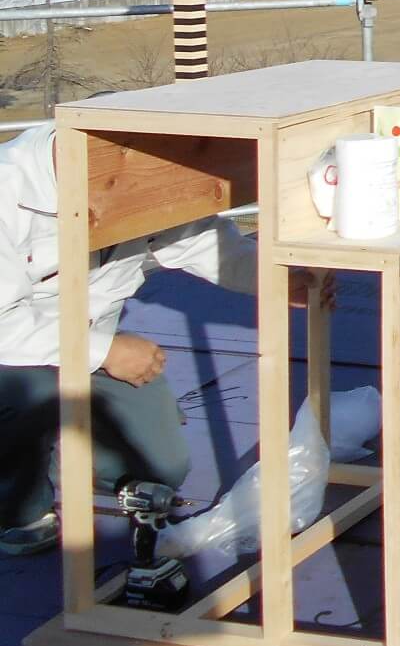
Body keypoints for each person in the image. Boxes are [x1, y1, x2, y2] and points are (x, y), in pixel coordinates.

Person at [0, 121, 317, 556]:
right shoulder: (7, 189)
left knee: (159, 466)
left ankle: (55, 444)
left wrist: (278, 280)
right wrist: (106, 351)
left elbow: (201, 243)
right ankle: (17, 499)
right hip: (14, 356)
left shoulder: (136, 179)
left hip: (83, 344)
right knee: (23, 393)